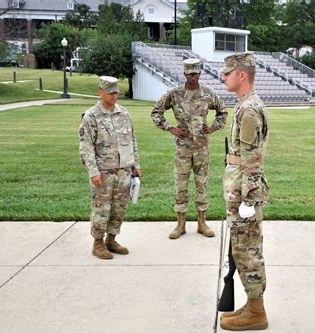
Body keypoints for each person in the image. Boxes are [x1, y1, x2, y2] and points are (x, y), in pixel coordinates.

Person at [219, 52, 270, 331]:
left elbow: (251, 159)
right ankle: (252, 306)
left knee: (247, 251)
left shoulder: (249, 109)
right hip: (239, 191)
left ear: (241, 75)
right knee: (243, 249)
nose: (223, 77)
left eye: (227, 73)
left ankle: (256, 313)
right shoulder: (244, 105)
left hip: (244, 195)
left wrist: (248, 200)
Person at [151, 58, 228, 239]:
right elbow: (156, 112)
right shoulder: (175, 94)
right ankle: (181, 224)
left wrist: (213, 127)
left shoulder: (208, 94)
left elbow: (222, 111)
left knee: (202, 185)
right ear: (185, 74)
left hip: (201, 149)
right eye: (190, 73)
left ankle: (202, 223)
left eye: (196, 73)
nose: (194, 76)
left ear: (200, 73)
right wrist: (171, 128)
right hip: (183, 149)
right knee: (181, 186)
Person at [79, 76, 142, 260]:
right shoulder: (91, 116)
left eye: (116, 92)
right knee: (101, 208)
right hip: (103, 172)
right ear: (100, 92)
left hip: (124, 170)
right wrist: (93, 172)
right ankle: (97, 243)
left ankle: (111, 239)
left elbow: (132, 141)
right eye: (110, 93)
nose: (114, 96)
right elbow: (86, 147)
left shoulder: (124, 114)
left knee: (119, 207)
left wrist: (136, 165)